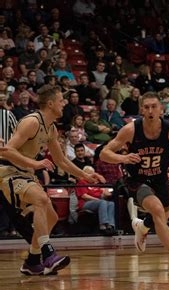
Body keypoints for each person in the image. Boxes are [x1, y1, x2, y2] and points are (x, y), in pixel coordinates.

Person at [99, 92, 169, 275]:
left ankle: (141, 227)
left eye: (154, 106)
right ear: (142, 109)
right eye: (146, 107)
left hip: (159, 179)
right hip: (137, 180)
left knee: (161, 219)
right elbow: (104, 153)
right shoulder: (131, 130)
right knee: (157, 210)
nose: (150, 110)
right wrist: (123, 157)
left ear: (161, 109)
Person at [0, 86, 104, 276]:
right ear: (50, 104)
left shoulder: (51, 128)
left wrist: (85, 176)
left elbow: (61, 161)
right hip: (8, 171)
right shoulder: (32, 122)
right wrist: (35, 163)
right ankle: (48, 254)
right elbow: (6, 150)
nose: (63, 103)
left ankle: (32, 261)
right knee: (41, 199)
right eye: (60, 100)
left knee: (52, 217)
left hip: (26, 173)